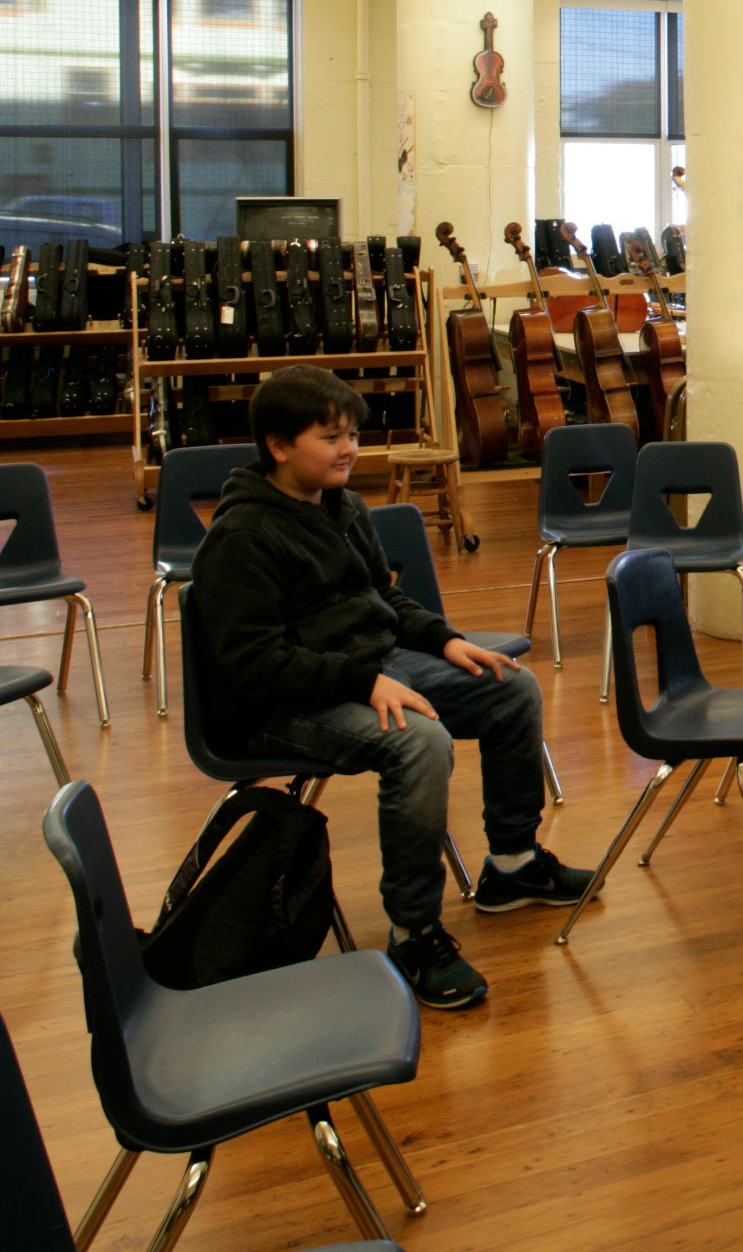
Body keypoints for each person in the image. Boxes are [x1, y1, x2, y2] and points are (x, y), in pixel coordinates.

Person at [193, 365, 594, 1010]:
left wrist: (446, 640)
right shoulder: (242, 536)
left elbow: (385, 597)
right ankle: (415, 930)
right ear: (277, 445)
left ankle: (513, 865)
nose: (349, 448)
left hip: (372, 667)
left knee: (509, 688)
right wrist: (364, 680)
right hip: (280, 702)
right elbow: (255, 664)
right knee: (419, 743)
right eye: (330, 436)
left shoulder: (342, 505)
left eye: (351, 433)